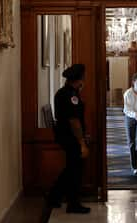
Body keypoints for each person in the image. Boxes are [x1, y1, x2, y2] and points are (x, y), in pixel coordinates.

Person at [47, 64, 91, 214]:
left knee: (71, 169)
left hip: (66, 136)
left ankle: (54, 196)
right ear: (78, 79)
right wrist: (82, 143)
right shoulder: (71, 95)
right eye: (83, 77)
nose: (84, 79)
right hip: (71, 138)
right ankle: (73, 204)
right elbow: (74, 121)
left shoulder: (64, 92)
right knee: (74, 171)